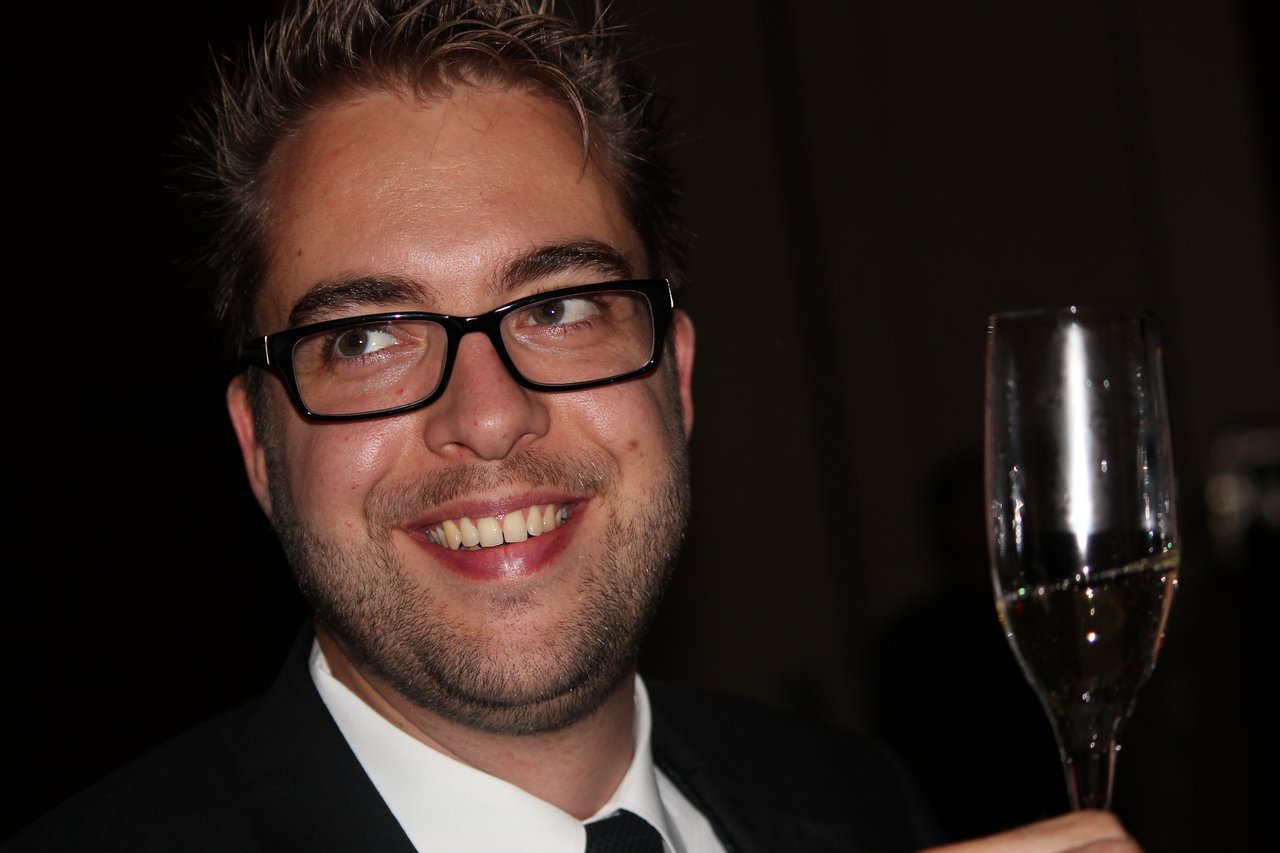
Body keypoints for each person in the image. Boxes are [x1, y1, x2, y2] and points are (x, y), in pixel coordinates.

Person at [5, 2, 1141, 850]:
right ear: (260, 447)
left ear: (676, 381)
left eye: (557, 308)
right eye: (363, 337)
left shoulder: (855, 801)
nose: (488, 417)